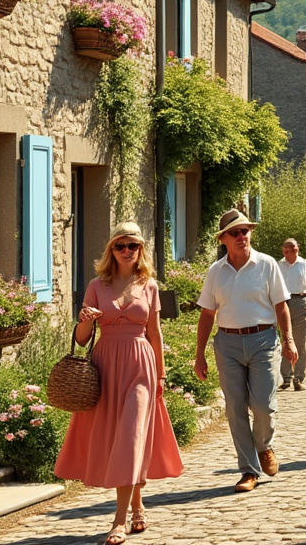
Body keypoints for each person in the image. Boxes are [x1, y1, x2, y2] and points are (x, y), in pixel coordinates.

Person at [55, 223, 183, 544]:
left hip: (141, 365)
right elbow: (82, 340)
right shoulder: (97, 285)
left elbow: (154, 333)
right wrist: (84, 319)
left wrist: (162, 375)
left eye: (133, 246)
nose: (127, 251)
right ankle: (138, 504)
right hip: (106, 364)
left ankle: (118, 521)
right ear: (111, 250)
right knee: (122, 437)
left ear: (141, 250)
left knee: (131, 435)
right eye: (120, 246)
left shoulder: (149, 285)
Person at [193, 209, 296, 494]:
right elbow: (206, 315)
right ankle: (248, 470)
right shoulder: (216, 272)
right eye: (235, 233)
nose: (242, 236)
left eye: (245, 231)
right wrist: (199, 354)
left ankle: (264, 445)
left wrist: (288, 340)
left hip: (263, 340)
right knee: (235, 409)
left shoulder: (267, 265)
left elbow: (281, 306)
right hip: (227, 343)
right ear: (223, 239)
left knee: (263, 404)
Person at [277, 238, 306, 392]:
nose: (290, 253)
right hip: (283, 303)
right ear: (283, 251)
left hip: (301, 302)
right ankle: (286, 377)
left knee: (300, 341)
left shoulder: (305, 264)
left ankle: (298, 378)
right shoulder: (278, 265)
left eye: (293, 249)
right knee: (285, 339)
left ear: (297, 249)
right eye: (287, 251)